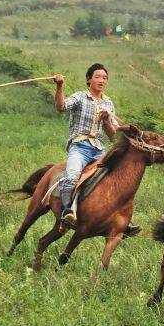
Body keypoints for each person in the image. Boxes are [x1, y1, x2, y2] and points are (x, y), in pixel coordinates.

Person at [53, 64, 139, 234]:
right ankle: (66, 212)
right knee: (72, 176)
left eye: (105, 78)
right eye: (98, 77)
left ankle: (122, 220)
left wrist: (107, 120)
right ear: (88, 79)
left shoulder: (108, 103)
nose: (101, 80)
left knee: (116, 182)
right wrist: (59, 86)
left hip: (99, 149)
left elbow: (112, 133)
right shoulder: (80, 97)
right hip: (79, 146)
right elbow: (61, 107)